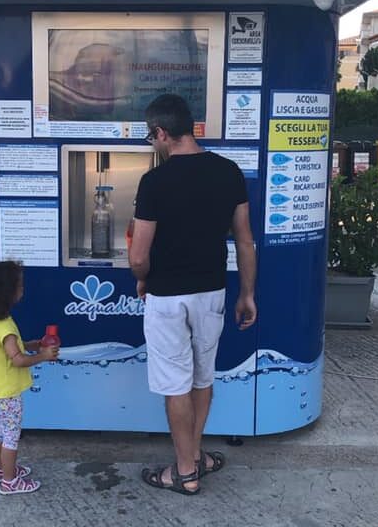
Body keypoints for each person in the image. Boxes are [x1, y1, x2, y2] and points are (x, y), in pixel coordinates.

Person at [129, 93, 257, 496]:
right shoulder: (228, 172)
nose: (154, 145)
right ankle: (196, 455)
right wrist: (247, 295)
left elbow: (137, 256)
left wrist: (143, 280)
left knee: (175, 385)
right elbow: (245, 242)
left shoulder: (154, 181)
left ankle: (184, 472)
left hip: (167, 297)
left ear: (162, 133)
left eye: (152, 138)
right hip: (213, 293)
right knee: (202, 379)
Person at [0, 261, 59, 495]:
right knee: (11, 435)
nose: (23, 289)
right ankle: (10, 481)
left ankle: (2, 470)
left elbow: (11, 348)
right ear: (9, 292)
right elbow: (17, 359)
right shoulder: (6, 326)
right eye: (20, 285)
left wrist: (32, 344)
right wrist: (43, 355)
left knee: (1, 431)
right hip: (7, 389)